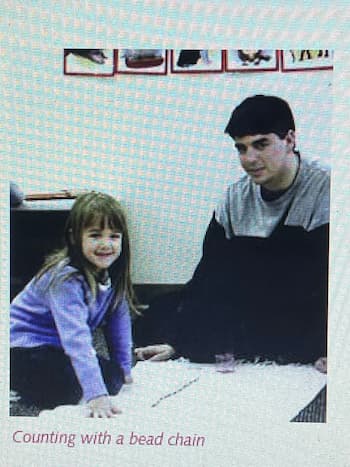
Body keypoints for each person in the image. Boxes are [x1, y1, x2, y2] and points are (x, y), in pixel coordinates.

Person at [135, 95, 329, 371]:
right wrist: (176, 341)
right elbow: (208, 276)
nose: (250, 159)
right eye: (241, 148)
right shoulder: (235, 198)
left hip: (306, 302)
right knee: (158, 313)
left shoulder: (328, 187)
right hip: (256, 303)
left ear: (289, 140)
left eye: (261, 144)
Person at [10, 191, 138, 417]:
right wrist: (96, 396)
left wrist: (124, 368)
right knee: (70, 386)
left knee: (113, 376)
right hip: (21, 348)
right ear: (74, 237)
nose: (106, 244)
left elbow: (120, 323)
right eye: (95, 235)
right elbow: (76, 338)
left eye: (114, 236)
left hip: (56, 348)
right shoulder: (64, 278)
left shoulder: (109, 273)